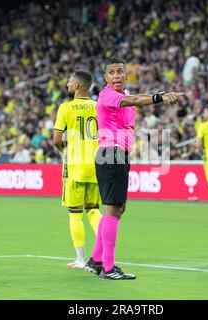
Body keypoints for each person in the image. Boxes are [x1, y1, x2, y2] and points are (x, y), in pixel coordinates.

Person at [84, 58, 184, 280]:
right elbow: (137, 100)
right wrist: (160, 96)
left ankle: (95, 260)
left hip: (117, 154)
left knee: (118, 208)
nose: (117, 75)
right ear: (106, 78)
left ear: (127, 75)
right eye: (112, 72)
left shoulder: (122, 94)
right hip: (111, 153)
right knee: (113, 209)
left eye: (120, 71)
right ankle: (108, 269)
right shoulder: (108, 95)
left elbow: (134, 103)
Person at [53, 70, 102, 268]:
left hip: (74, 165)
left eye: (69, 81)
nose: (66, 84)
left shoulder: (65, 108)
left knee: (75, 213)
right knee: (93, 210)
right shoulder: (99, 106)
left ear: (76, 86)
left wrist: (64, 150)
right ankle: (104, 250)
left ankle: (81, 259)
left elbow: (56, 140)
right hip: (97, 165)